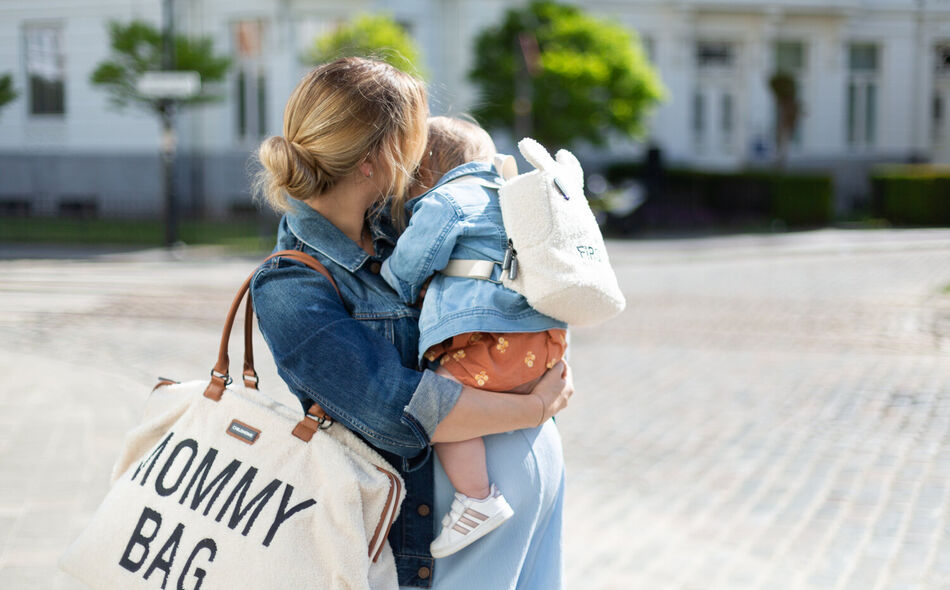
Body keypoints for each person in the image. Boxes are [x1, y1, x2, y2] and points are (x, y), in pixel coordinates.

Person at [250, 57, 573, 590]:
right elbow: (399, 412)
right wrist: (537, 405)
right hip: (447, 533)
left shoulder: (409, 225)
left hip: (525, 502)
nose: (423, 154)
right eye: (414, 137)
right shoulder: (290, 285)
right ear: (375, 158)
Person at [379, 117, 567, 559]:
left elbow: (406, 270)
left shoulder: (445, 200)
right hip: (543, 342)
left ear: (422, 168)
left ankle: (477, 498)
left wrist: (386, 273)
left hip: (501, 345)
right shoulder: (510, 197)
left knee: (439, 401)